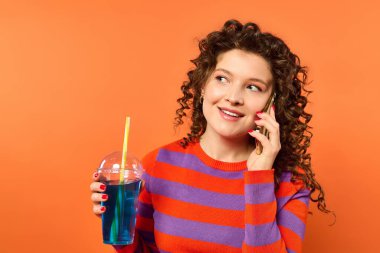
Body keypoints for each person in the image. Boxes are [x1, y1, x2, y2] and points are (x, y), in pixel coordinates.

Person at [90, 19, 330, 253]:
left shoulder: (291, 183)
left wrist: (259, 178)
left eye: (253, 86)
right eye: (222, 79)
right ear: (203, 85)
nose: (233, 97)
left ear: (272, 103)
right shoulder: (158, 164)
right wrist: (118, 228)